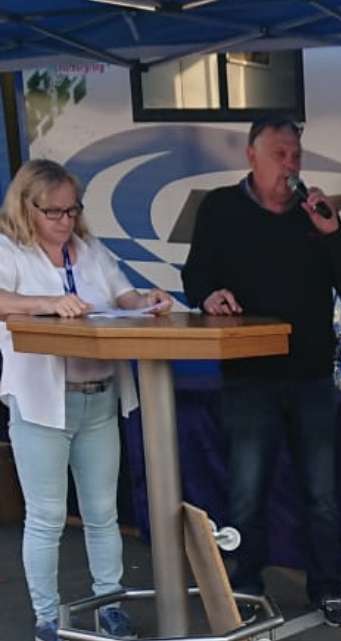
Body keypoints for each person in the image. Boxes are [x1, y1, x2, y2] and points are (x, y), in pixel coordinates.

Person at [181, 117, 341, 627]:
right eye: (279, 155)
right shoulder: (220, 208)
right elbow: (195, 274)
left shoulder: (315, 214)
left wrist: (332, 234)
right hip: (248, 375)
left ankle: (327, 587)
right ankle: (245, 588)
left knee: (321, 495)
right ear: (251, 156)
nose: (290, 166)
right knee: (247, 493)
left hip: (310, 375)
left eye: (296, 155)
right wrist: (208, 295)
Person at [0, 159, 174, 641]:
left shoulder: (89, 249)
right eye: (53, 212)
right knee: (47, 517)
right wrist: (45, 303)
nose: (65, 221)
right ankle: (47, 618)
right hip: (42, 403)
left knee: (102, 513)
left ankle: (109, 605)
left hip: (98, 397)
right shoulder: (9, 250)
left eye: (72, 209)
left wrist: (147, 301)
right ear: (26, 207)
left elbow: (123, 297)